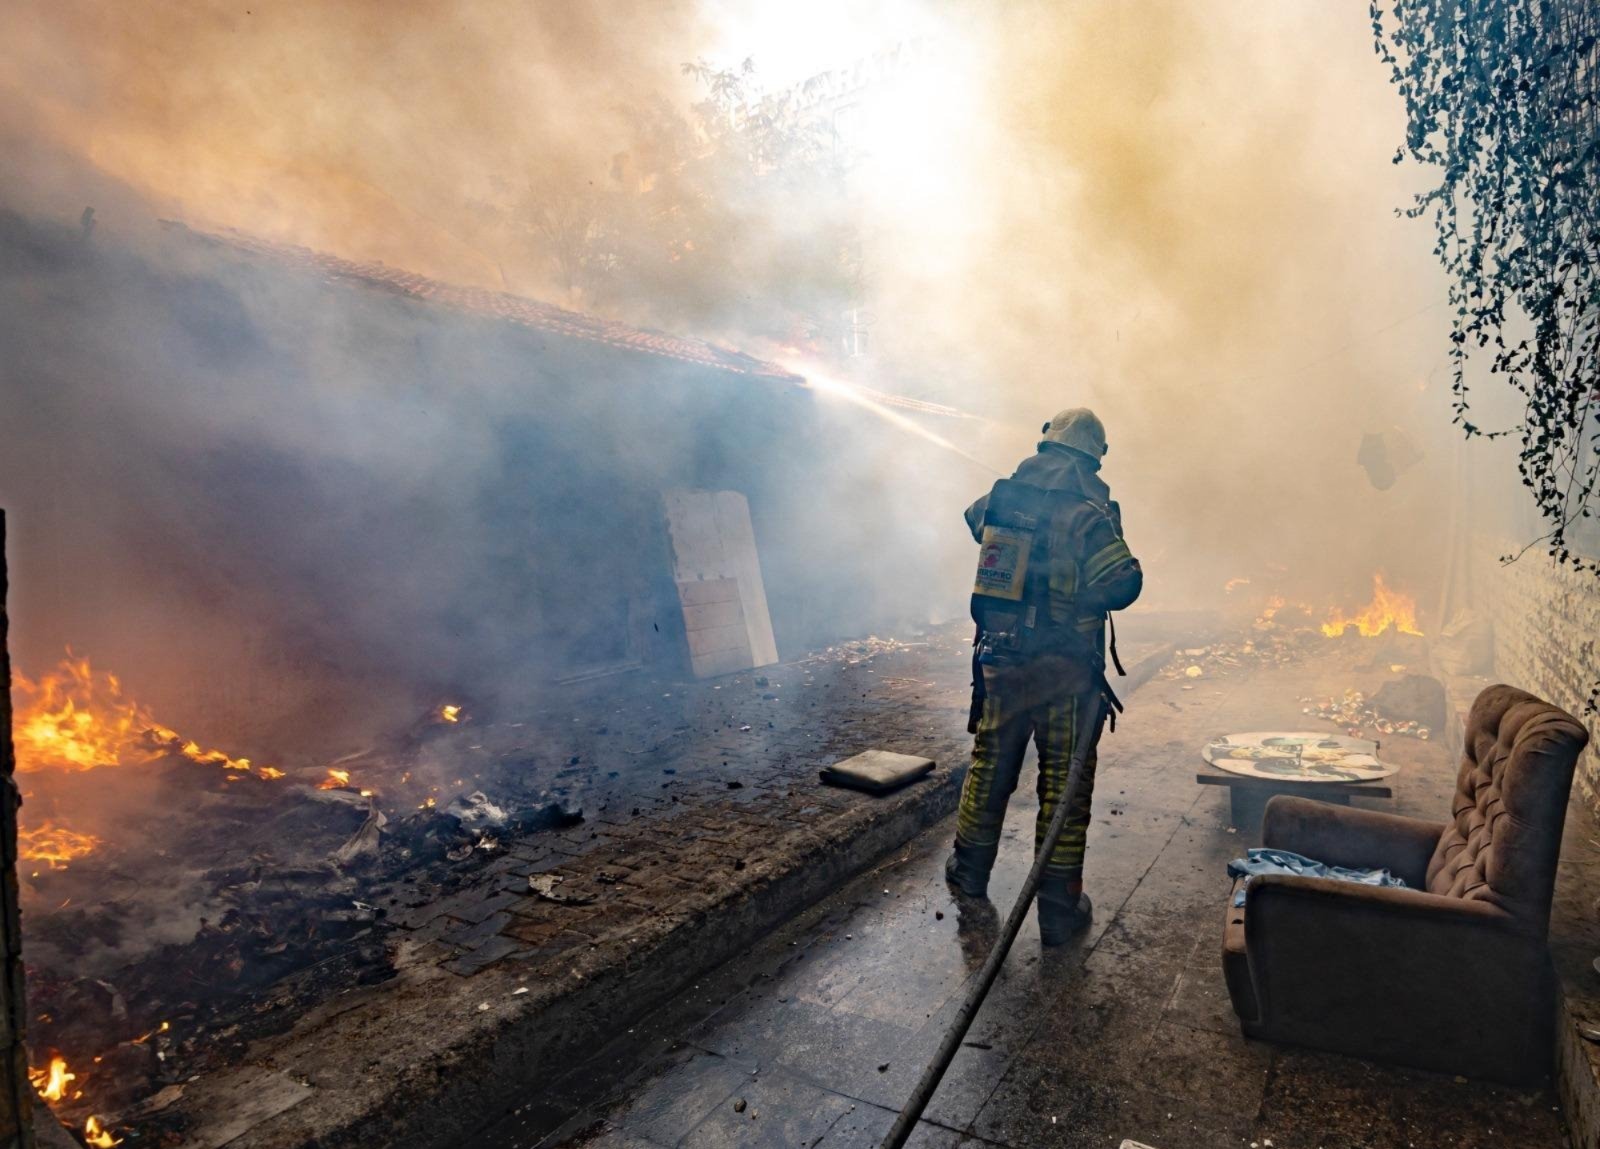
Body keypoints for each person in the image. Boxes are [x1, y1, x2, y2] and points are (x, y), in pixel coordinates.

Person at [947, 407, 1143, 944]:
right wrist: (1078, 592)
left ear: (1045, 446)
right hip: (1063, 674)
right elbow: (1125, 583)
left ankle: (968, 875)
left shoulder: (1003, 496)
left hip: (1001, 666)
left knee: (989, 769)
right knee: (1063, 785)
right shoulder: (1087, 514)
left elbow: (973, 521)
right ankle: (1058, 910)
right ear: (1092, 458)